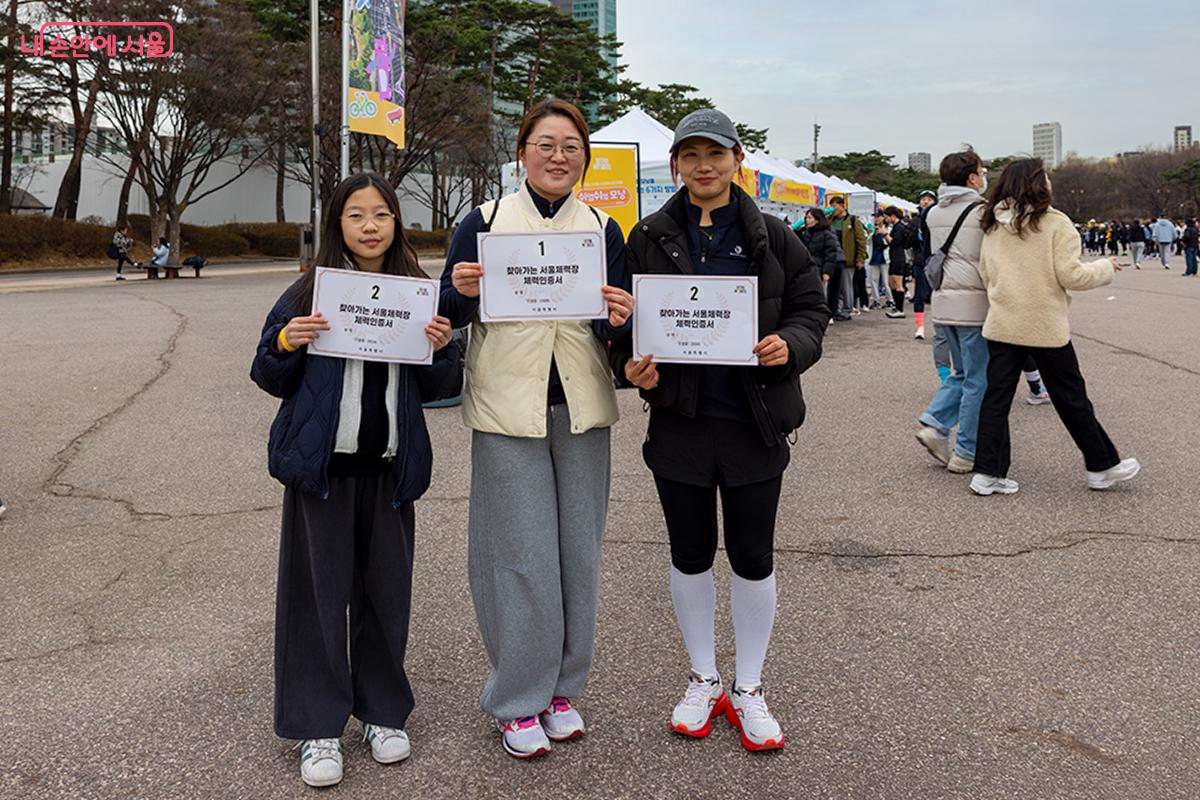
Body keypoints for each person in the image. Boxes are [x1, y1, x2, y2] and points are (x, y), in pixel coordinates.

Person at [611, 108, 828, 753]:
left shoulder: (775, 235)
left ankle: (749, 686)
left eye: (716, 154)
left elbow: (810, 310)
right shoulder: (648, 234)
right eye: (691, 155)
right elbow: (621, 319)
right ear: (677, 164)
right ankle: (703, 676)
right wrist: (631, 366)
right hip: (680, 422)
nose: (704, 166)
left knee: (754, 556)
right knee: (690, 553)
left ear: (738, 159)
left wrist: (789, 345)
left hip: (755, 422)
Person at [250, 171, 460, 788]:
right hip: (323, 471)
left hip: (390, 469)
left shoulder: (418, 292)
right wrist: (288, 340)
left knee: (385, 596)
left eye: (382, 215)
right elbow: (267, 371)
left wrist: (443, 348)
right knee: (317, 598)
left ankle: (382, 713)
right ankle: (319, 724)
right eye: (356, 215)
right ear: (337, 224)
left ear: (397, 224)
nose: (370, 226)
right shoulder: (311, 291)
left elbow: (443, 389)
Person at [439, 99, 634, 760]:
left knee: (578, 553)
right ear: (522, 151)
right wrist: (460, 290)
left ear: (585, 158)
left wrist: (621, 314)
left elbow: (618, 330)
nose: (559, 156)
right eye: (546, 144)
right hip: (506, 411)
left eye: (571, 146)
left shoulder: (603, 228)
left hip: (581, 409)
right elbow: (446, 313)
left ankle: (561, 691)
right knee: (519, 556)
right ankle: (517, 699)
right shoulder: (485, 222)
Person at [970, 158, 1139, 496]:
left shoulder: (992, 222)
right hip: (1043, 323)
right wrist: (1104, 267)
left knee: (996, 399)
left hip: (1004, 321)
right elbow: (1071, 276)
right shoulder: (1055, 223)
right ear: (1037, 183)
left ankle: (987, 472)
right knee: (1071, 397)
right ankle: (1100, 465)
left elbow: (986, 272)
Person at [914, 150, 988, 474]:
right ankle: (965, 450)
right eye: (982, 172)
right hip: (973, 306)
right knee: (977, 380)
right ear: (972, 178)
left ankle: (935, 422)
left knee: (960, 373)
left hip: (944, 302)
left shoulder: (932, 214)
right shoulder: (982, 211)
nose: (985, 177)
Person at [798, 206, 844, 315]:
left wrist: (827, 271)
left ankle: (829, 313)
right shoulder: (806, 233)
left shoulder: (827, 233)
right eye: (806, 218)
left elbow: (831, 253)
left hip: (825, 267)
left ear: (817, 220)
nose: (807, 220)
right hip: (812, 267)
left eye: (809, 218)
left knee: (827, 292)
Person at [829, 195, 867, 321]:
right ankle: (837, 309)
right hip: (832, 258)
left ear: (842, 206)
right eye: (831, 206)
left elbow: (861, 240)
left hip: (848, 259)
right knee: (835, 286)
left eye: (835, 206)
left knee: (846, 286)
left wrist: (860, 258)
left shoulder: (852, 220)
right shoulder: (829, 220)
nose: (833, 209)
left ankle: (847, 309)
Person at [882, 206, 910, 318]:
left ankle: (900, 309)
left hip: (899, 257)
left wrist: (885, 234)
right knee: (891, 283)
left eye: (887, 217)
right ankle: (896, 306)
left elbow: (894, 242)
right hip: (894, 257)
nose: (886, 219)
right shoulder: (896, 227)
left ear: (893, 216)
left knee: (898, 283)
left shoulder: (900, 228)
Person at [867, 210, 891, 309]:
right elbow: (868, 242)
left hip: (884, 257)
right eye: (875, 217)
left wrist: (883, 233)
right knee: (873, 280)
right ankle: (875, 300)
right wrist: (870, 233)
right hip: (874, 257)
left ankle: (890, 299)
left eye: (878, 216)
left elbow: (889, 242)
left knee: (886, 281)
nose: (876, 219)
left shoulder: (888, 229)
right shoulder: (873, 229)